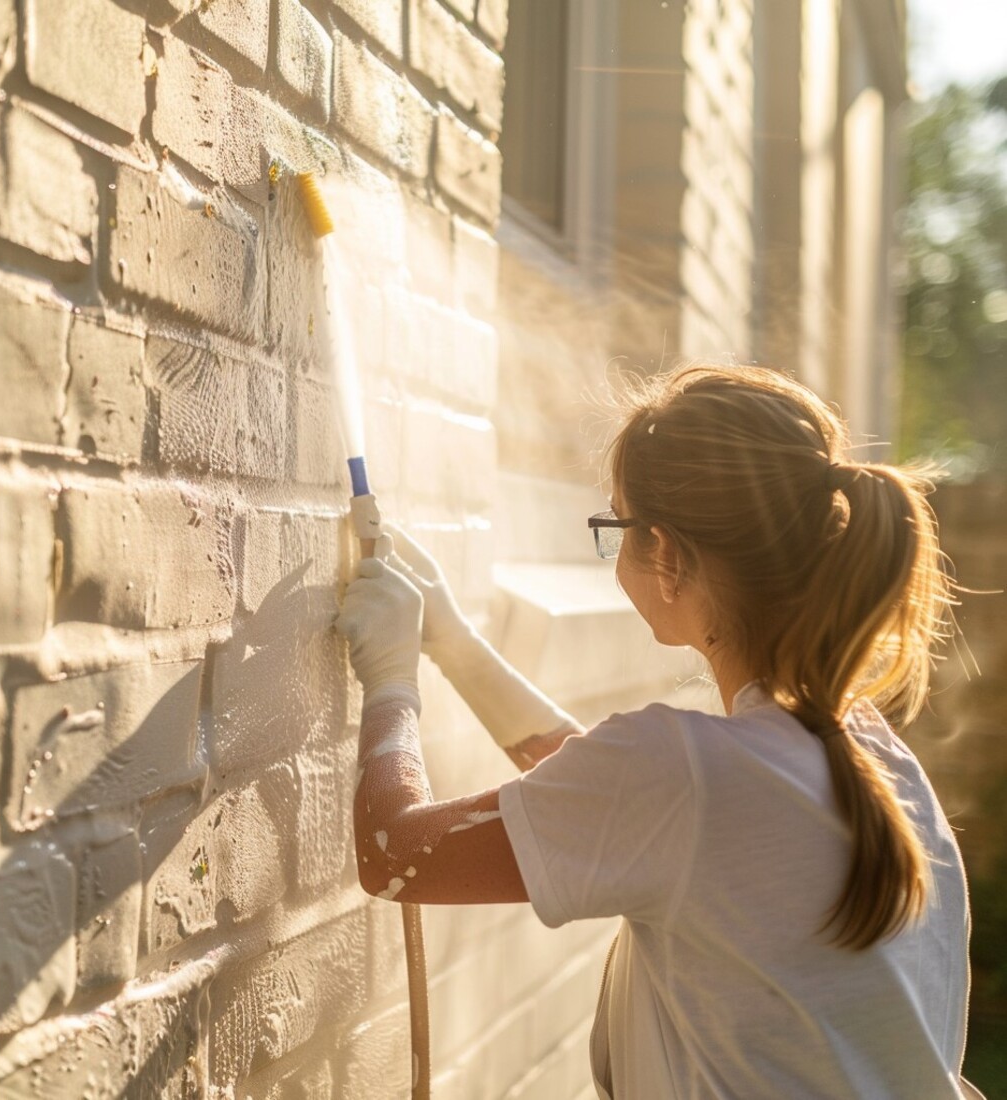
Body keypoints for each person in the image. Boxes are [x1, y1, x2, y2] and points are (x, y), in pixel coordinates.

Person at [334, 364, 981, 1099]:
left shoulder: (685, 775)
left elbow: (397, 853)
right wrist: (453, 643)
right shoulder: (876, 761)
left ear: (666, 555)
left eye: (617, 526)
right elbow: (624, 808)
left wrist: (391, 679)